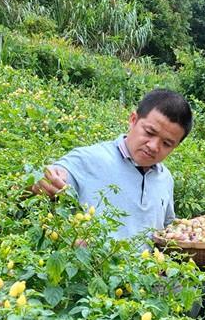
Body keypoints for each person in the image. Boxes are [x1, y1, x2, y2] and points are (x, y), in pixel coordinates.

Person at [28, 89, 192, 240]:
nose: (154, 146)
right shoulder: (88, 159)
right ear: (133, 120)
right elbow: (36, 184)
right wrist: (41, 182)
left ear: (175, 146)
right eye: (149, 132)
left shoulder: (165, 178)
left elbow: (166, 230)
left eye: (167, 143)